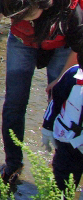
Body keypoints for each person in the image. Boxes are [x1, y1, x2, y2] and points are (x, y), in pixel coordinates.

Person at [0, 0, 83, 192]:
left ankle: (60, 169)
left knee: (59, 104)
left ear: (44, 6)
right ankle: (13, 163)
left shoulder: (69, 10)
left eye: (28, 16)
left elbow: (80, 48)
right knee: (14, 103)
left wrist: (60, 81)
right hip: (22, 43)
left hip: (62, 48)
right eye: (18, 16)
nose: (23, 19)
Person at [41, 64, 83, 198]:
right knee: (61, 186)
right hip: (68, 141)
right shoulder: (73, 75)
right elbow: (56, 101)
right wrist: (47, 128)